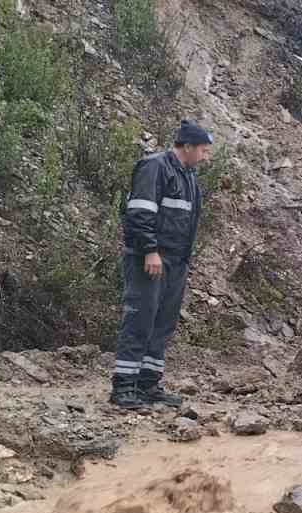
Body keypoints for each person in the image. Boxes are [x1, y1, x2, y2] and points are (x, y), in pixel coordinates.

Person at [110, 120, 214, 408]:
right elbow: (139, 213)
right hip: (151, 258)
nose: (206, 157)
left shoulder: (189, 176)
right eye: (204, 151)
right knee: (140, 318)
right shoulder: (155, 166)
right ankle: (124, 387)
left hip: (176, 262)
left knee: (163, 322)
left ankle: (148, 384)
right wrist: (150, 251)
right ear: (188, 147)